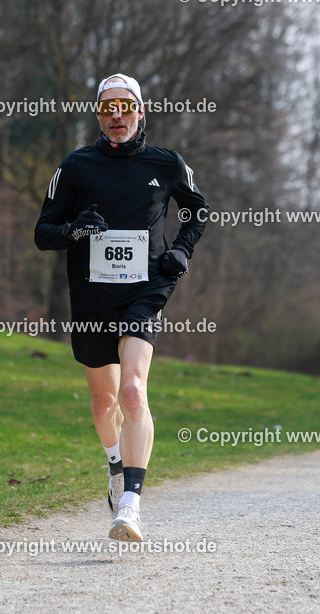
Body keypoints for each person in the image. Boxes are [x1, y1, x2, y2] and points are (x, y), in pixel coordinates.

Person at [34, 74, 209, 541]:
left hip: (146, 289)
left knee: (132, 392)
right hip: (92, 294)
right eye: (108, 107)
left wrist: (182, 251)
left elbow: (198, 209)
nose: (117, 116)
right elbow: (42, 233)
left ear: (140, 111)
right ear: (98, 114)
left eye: (125, 106)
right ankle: (115, 466)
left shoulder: (167, 163)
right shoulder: (75, 167)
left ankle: (130, 505)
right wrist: (76, 229)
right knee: (103, 400)